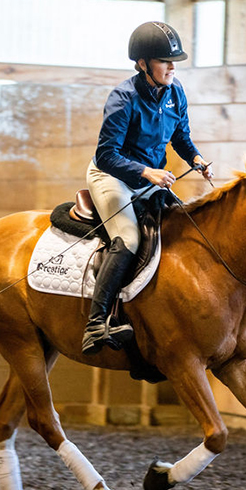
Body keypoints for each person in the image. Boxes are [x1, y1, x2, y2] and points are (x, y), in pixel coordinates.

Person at [82, 21, 213, 356]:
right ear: (142, 64)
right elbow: (106, 155)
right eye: (164, 61)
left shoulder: (175, 91)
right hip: (112, 177)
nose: (172, 67)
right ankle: (96, 324)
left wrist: (196, 157)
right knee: (128, 238)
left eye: (174, 62)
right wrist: (147, 172)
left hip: (150, 177)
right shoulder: (123, 98)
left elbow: (181, 136)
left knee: (182, 227)